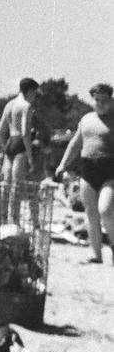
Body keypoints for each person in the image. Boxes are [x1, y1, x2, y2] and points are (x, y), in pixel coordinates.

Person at [55, 82, 114, 265]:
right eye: (96, 100)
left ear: (111, 100)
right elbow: (74, 144)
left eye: (103, 100)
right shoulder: (87, 119)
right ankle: (96, 254)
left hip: (110, 170)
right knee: (91, 213)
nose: (100, 103)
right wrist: (62, 165)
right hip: (88, 169)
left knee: (105, 210)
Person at [0, 78, 39, 216]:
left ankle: (1, 219)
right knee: (17, 186)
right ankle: (14, 220)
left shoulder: (9, 105)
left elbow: (0, 132)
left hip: (10, 143)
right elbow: (25, 132)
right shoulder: (26, 106)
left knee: (5, 185)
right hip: (21, 145)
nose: (35, 97)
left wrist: (5, 149)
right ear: (31, 91)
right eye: (35, 93)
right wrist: (30, 156)